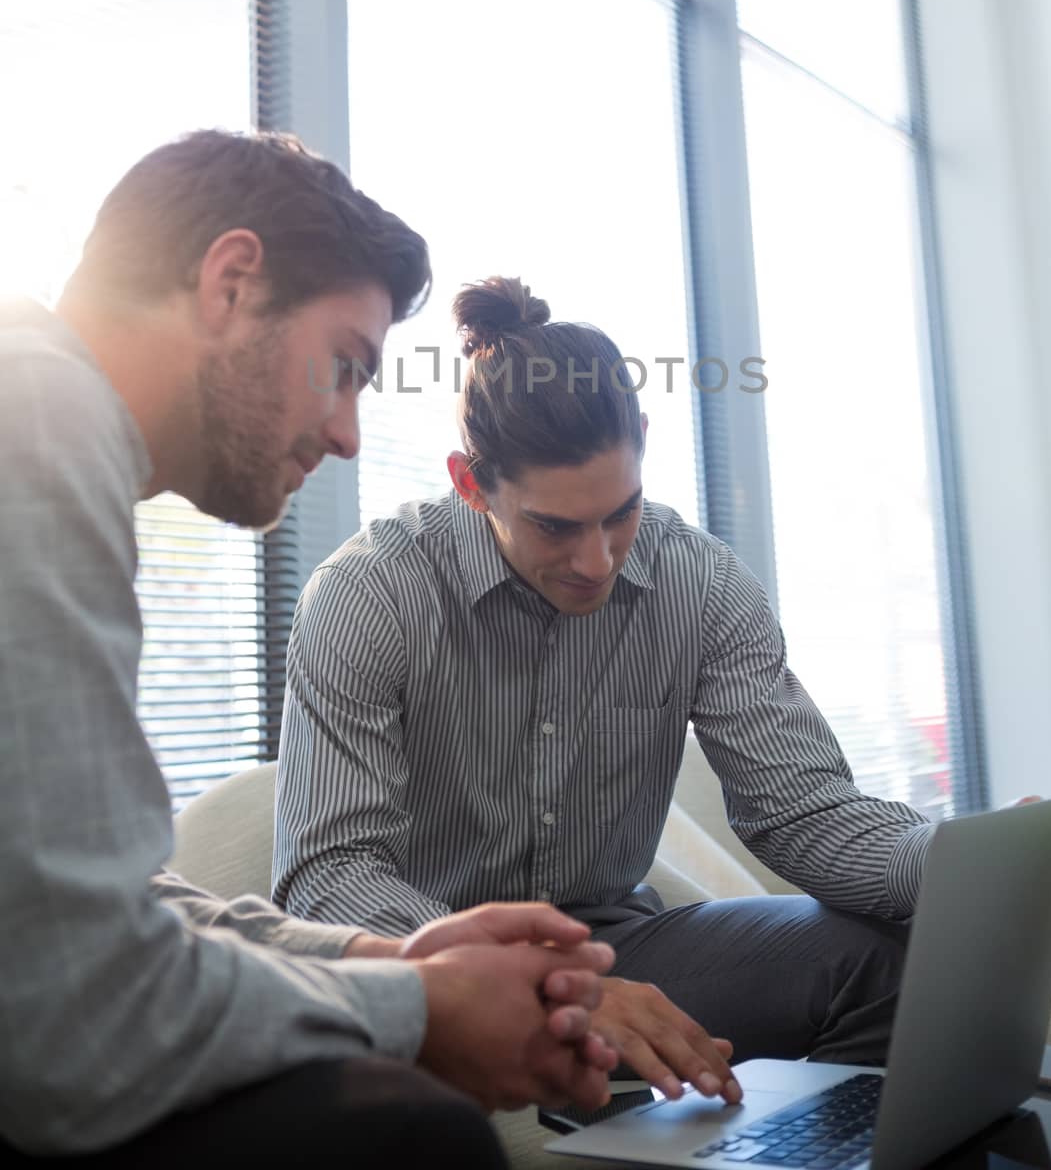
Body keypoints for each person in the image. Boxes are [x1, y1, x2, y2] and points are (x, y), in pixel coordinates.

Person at [0, 140, 625, 1164]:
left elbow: (91, 907)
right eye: (343, 366)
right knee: (408, 1132)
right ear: (230, 281)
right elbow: (78, 1013)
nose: (344, 433)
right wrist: (414, 1010)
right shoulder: (37, 415)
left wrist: (385, 956)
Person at [274, 275, 926, 1100]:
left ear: (643, 442)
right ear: (470, 483)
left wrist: (951, 865)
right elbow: (330, 875)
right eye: (554, 526)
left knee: (881, 961)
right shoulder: (369, 595)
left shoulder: (701, 583)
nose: (597, 563)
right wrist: (544, 986)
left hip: (621, 946)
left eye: (620, 512)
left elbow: (801, 811)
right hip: (435, 972)